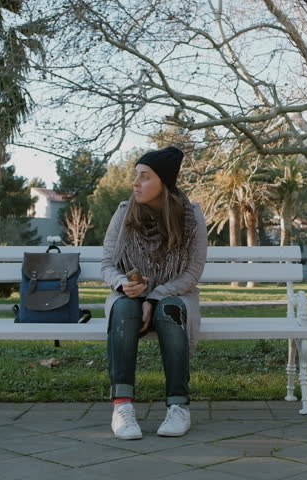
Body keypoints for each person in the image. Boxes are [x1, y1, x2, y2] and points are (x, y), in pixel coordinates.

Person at [100, 146, 207, 440]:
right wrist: (123, 284)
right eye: (136, 175)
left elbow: (192, 273)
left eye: (145, 176)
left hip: (176, 294)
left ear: (164, 183)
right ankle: (122, 406)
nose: (136, 183)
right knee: (124, 308)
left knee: (169, 310)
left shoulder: (191, 217)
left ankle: (178, 406)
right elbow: (107, 265)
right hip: (129, 295)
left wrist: (155, 297)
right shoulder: (123, 213)